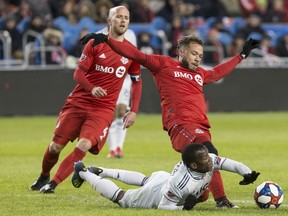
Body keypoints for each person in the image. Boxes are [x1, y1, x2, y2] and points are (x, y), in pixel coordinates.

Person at [79, 32, 259, 207]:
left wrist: (241, 55)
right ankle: (222, 201)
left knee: (202, 194)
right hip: (180, 124)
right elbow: (136, 54)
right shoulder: (164, 65)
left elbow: (218, 72)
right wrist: (109, 41)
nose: (198, 58)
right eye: (194, 53)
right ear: (181, 52)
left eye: (200, 55)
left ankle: (185, 197)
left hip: (200, 126)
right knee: (209, 152)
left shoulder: (199, 74)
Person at [29, 5, 142, 193]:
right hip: (78, 102)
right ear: (109, 21)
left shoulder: (131, 52)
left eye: (126, 18)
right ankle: (44, 176)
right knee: (55, 147)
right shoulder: (95, 43)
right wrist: (92, 88)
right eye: (119, 17)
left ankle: (53, 183)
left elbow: (137, 82)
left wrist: (134, 110)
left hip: (103, 109)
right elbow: (78, 74)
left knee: (84, 144)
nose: (123, 20)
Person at [71, 144, 260, 210]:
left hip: (165, 179)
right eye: (205, 159)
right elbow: (164, 206)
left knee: (146, 178)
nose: (211, 162)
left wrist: (246, 172)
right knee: (121, 198)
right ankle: (83, 172)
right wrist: (184, 208)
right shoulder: (182, 184)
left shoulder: (207, 159)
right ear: (194, 165)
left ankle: (102, 171)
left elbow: (232, 164)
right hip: (157, 193)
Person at [97, 25, 137, 158]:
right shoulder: (99, 34)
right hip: (108, 77)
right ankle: (112, 149)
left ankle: (119, 148)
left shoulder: (130, 34)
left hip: (124, 76)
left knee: (122, 110)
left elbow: (134, 54)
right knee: (112, 112)